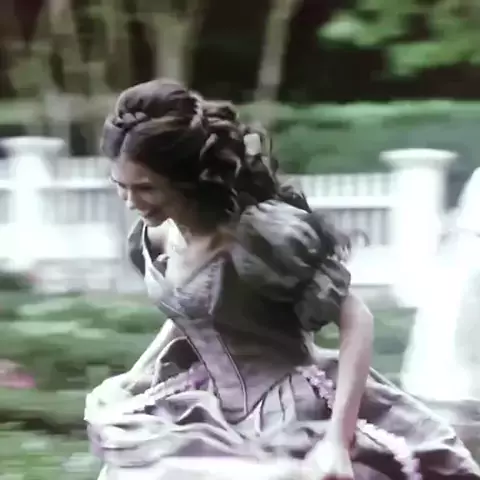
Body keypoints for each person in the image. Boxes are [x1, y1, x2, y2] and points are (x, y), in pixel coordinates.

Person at [85, 79, 480, 480]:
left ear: (184, 178)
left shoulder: (256, 239)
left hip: (286, 408)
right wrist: (136, 376)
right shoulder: (156, 236)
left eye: (146, 188)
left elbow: (358, 321)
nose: (131, 201)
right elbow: (189, 311)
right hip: (207, 404)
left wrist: (337, 441)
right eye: (121, 187)